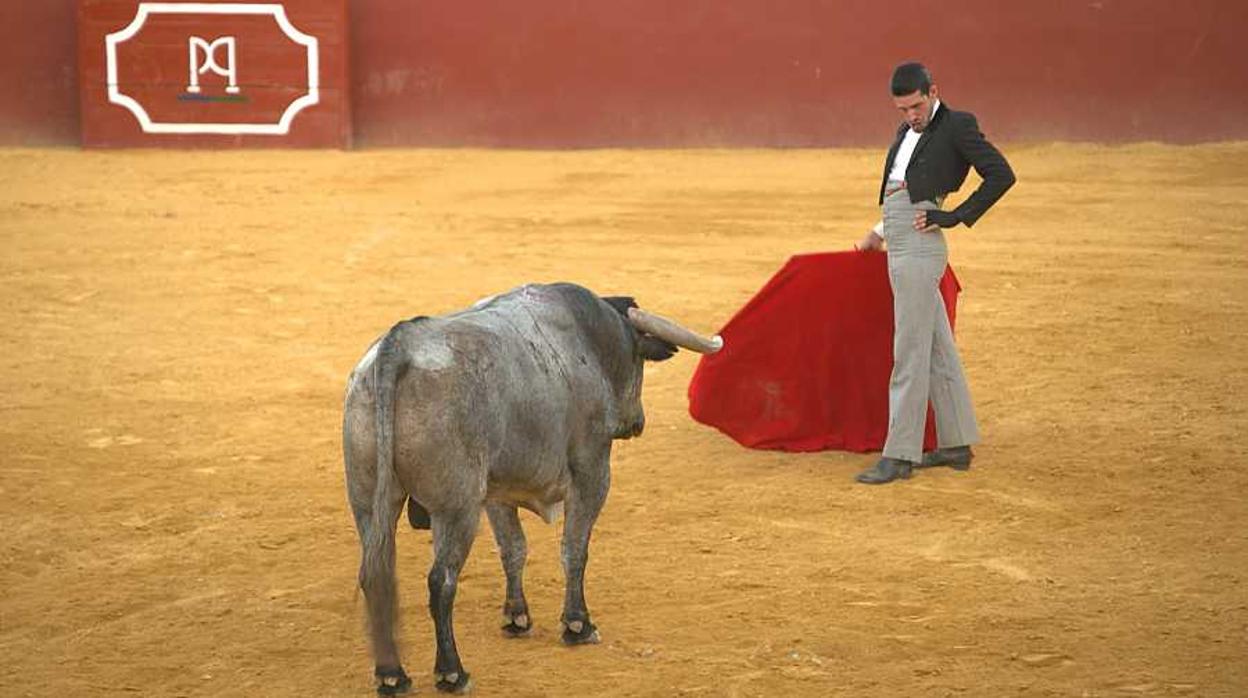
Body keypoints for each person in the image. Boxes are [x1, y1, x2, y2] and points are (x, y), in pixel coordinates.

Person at [854, 62, 1015, 484]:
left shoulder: (957, 125)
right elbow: (899, 191)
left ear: (933, 91)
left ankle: (899, 454)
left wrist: (956, 216)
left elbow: (1001, 174)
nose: (911, 115)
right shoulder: (905, 133)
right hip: (901, 237)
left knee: (909, 350)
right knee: (936, 346)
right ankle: (956, 443)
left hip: (920, 248)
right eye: (903, 108)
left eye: (917, 105)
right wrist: (877, 232)